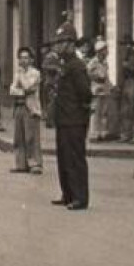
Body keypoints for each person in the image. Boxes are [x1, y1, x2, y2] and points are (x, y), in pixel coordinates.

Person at [48, 23, 94, 211]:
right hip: (64, 118)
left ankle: (80, 197)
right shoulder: (64, 64)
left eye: (61, 42)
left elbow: (85, 93)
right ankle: (67, 194)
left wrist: (79, 112)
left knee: (75, 158)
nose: (57, 46)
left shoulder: (77, 66)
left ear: (70, 43)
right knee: (64, 157)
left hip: (74, 120)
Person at [7, 46, 45, 175]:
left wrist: (21, 81)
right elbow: (12, 90)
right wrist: (21, 91)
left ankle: (35, 163)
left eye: (26, 58)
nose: (23, 60)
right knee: (19, 137)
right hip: (19, 106)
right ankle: (21, 164)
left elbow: (29, 87)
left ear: (31, 60)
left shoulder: (35, 73)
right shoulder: (17, 73)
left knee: (31, 136)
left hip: (31, 107)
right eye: (21, 58)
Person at [87, 39, 116, 143]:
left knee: (104, 112)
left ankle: (102, 133)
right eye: (105, 50)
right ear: (99, 51)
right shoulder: (93, 62)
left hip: (105, 89)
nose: (107, 52)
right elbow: (88, 75)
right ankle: (94, 133)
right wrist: (96, 78)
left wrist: (111, 86)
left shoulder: (104, 62)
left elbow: (106, 76)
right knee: (95, 112)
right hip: (97, 90)